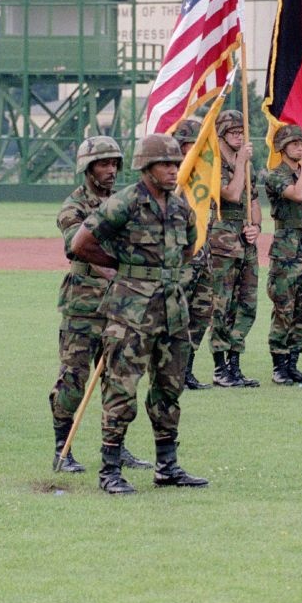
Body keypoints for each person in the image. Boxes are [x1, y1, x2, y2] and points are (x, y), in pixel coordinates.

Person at [71, 133, 208, 495]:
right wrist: (120, 267)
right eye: (165, 164)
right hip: (131, 312)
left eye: (176, 164)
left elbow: (189, 250)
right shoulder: (125, 203)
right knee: (121, 390)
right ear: (146, 168)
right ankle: (110, 470)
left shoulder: (180, 208)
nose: (173, 170)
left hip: (172, 311)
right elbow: (80, 244)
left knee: (169, 389)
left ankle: (167, 467)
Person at [48, 136, 152, 474]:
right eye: (102, 164)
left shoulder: (124, 203)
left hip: (121, 304)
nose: (110, 170)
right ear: (87, 168)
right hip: (83, 304)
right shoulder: (73, 207)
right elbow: (79, 247)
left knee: (119, 379)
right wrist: (116, 269)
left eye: (113, 164)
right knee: (74, 377)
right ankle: (62, 449)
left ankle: (116, 447)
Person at [262, 124, 302, 385]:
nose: (301, 147)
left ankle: (293, 361)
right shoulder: (276, 176)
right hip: (286, 250)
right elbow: (299, 194)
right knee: (284, 308)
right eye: (295, 144)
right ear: (282, 148)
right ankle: (279, 364)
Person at [207, 109, 262, 387]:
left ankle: (235, 363)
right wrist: (240, 163)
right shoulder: (212, 162)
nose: (239, 137)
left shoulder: (246, 163)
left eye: (242, 132)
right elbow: (230, 194)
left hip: (244, 240)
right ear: (221, 134)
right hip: (221, 241)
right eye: (233, 132)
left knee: (247, 303)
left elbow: (252, 200)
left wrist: (256, 226)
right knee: (221, 304)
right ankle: (219, 367)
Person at [173, 117, 214, 391]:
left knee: (202, 313)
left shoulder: (204, 174)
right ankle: (171, 372)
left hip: (203, 256)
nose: (197, 150)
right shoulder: (170, 179)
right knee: (177, 316)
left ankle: (187, 369)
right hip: (179, 260)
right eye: (192, 145)